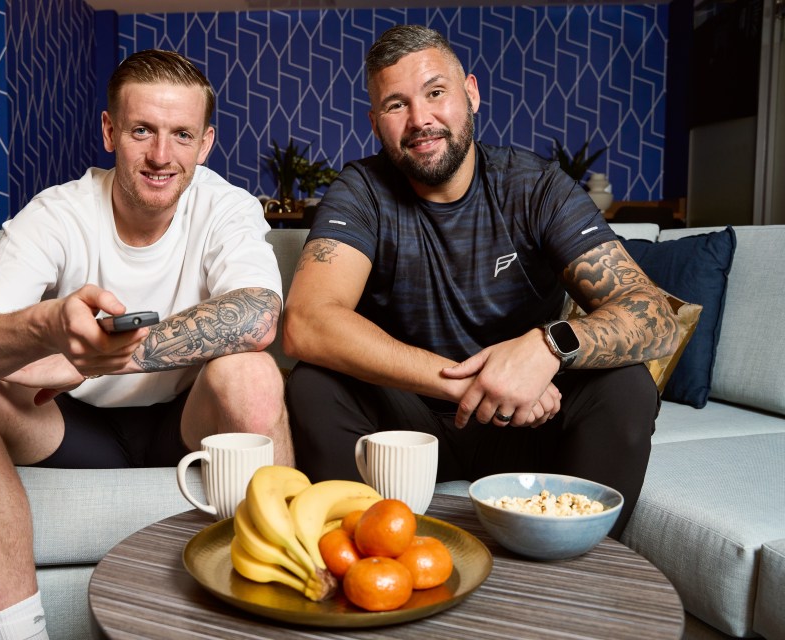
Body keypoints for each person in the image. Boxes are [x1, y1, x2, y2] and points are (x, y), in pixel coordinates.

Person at [0, 49, 292, 640]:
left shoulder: (225, 207)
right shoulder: (58, 213)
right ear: (110, 130)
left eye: (181, 134)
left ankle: (280, 615)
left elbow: (260, 317)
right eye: (142, 131)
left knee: (254, 373)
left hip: (186, 423)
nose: (162, 156)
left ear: (206, 143)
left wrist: (94, 359)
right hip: (66, 425)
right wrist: (48, 327)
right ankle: (22, 632)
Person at [282, 25, 681, 540]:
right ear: (375, 122)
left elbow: (654, 316)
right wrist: (471, 380)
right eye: (396, 104)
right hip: (410, 426)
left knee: (627, 385)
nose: (420, 119)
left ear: (471, 92)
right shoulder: (361, 190)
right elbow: (307, 322)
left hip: (531, 419)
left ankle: (579, 564)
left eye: (435, 92)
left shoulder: (536, 186)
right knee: (315, 385)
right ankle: (370, 556)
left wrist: (548, 347)